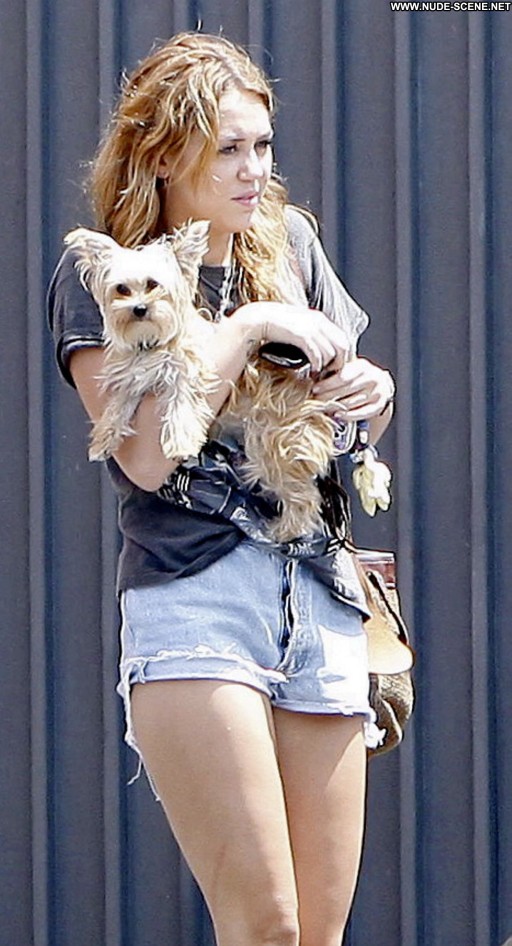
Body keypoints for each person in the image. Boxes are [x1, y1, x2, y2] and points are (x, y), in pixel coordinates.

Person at [48, 31, 396, 946]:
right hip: (197, 595)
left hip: (318, 591)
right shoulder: (108, 273)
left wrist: (374, 394)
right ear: (164, 155)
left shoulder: (290, 245)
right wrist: (244, 330)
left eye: (263, 145)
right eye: (228, 148)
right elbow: (146, 458)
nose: (255, 170)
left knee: (317, 934)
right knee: (265, 926)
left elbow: (339, 419)